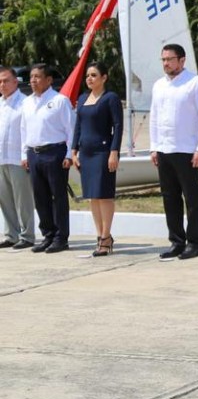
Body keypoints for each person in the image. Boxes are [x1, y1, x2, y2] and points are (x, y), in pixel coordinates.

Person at [150, 44, 198, 260]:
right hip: (165, 149)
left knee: (191, 198)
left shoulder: (197, 84)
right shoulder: (158, 85)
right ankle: (176, 241)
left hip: (187, 150)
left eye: (170, 59)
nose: (166, 63)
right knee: (170, 198)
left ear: (182, 60)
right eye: (163, 59)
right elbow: (155, 117)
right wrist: (154, 146)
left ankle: (194, 242)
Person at [20, 64, 75, 253]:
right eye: (31, 77)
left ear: (49, 80)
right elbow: (23, 130)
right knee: (40, 196)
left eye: (37, 77)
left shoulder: (60, 100)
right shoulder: (27, 102)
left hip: (55, 153)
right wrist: (23, 154)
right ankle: (48, 235)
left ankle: (61, 237)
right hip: (34, 154)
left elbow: (71, 129)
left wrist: (69, 154)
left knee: (58, 197)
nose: (33, 80)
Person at [71, 62, 123, 257]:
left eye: (94, 75)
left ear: (104, 77)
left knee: (104, 195)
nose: (89, 79)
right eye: (87, 75)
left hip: (103, 152)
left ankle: (106, 236)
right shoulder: (83, 98)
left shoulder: (110, 98)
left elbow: (118, 126)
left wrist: (114, 151)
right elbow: (78, 125)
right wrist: (74, 150)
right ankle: (99, 234)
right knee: (92, 196)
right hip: (86, 153)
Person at [0, 66, 35, 250]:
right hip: (1, 158)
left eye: (6, 80)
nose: (2, 85)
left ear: (16, 82)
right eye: (0, 81)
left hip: (17, 158)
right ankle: (11, 235)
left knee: (23, 199)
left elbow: (29, 130)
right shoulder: (0, 103)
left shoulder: (25, 103)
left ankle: (27, 235)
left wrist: (26, 154)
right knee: (5, 199)